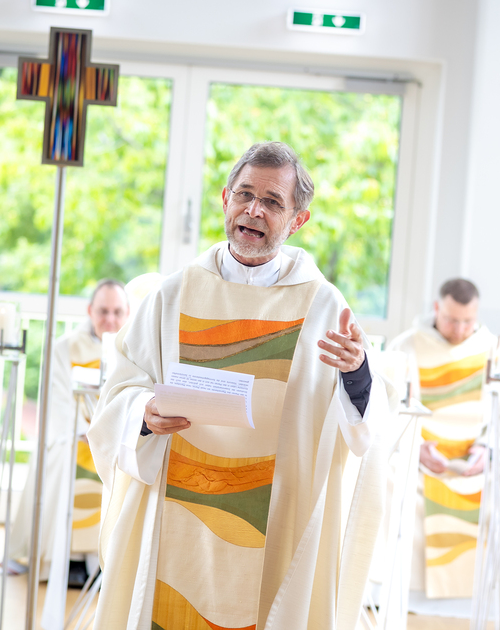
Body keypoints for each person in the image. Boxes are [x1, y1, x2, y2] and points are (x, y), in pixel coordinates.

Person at [88, 141, 391, 629]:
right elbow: (121, 388)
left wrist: (356, 369)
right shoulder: (173, 293)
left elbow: (362, 424)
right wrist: (142, 413)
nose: (254, 210)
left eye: (272, 202)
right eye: (245, 194)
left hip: (277, 507)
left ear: (297, 220)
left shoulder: (322, 306)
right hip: (177, 495)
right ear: (225, 198)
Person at [386, 279, 500, 618]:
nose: (460, 329)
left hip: (478, 456)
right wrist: (416, 446)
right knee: (387, 481)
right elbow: (392, 405)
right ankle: (397, 594)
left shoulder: (495, 350)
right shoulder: (406, 346)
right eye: (452, 320)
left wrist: (488, 448)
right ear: (436, 309)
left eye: (467, 321)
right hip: (422, 454)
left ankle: (496, 599)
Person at [8, 278, 129, 586]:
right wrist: (86, 432)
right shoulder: (65, 348)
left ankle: (105, 561)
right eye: (103, 311)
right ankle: (70, 559)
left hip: (118, 437)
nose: (110, 319)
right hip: (75, 435)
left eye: (117, 312)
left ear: (127, 313)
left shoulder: (133, 349)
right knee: (65, 460)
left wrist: (111, 433)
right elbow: (58, 401)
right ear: (90, 311)